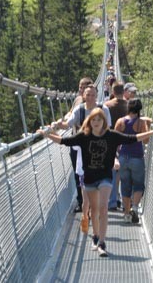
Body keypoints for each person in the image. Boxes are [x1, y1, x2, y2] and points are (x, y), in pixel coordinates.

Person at [39, 108, 153, 257]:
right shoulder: (84, 136)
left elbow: (132, 138)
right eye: (93, 120)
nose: (96, 123)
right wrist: (47, 135)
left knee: (103, 208)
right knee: (94, 211)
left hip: (105, 177)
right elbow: (64, 141)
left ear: (104, 121)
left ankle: (102, 243)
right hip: (89, 178)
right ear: (89, 122)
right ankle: (95, 236)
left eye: (99, 120)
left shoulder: (112, 136)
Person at [55, 85, 111, 229]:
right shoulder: (79, 110)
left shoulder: (103, 109)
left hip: (98, 153)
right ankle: (85, 215)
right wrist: (56, 125)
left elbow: (108, 129)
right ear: (84, 95)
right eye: (88, 94)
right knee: (84, 190)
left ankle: (94, 220)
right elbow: (68, 124)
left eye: (93, 94)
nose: (91, 97)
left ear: (97, 96)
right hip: (80, 152)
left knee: (96, 190)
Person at [114, 98, 150, 224]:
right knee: (138, 185)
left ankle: (126, 213)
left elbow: (115, 138)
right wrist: (148, 127)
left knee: (125, 185)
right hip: (137, 158)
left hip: (123, 157)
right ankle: (134, 208)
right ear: (139, 109)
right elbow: (146, 141)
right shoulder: (141, 123)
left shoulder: (120, 121)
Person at [62, 77, 93, 212]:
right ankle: (85, 203)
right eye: (80, 86)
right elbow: (71, 112)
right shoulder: (77, 100)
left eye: (83, 87)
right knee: (81, 174)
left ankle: (84, 203)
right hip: (76, 142)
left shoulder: (93, 106)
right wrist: (66, 117)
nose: (80, 89)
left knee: (81, 174)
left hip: (83, 143)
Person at [104, 81, 129, 210]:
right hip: (125, 141)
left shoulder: (106, 105)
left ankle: (112, 200)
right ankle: (121, 199)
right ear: (123, 91)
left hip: (110, 141)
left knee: (111, 169)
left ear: (113, 92)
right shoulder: (129, 106)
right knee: (122, 171)